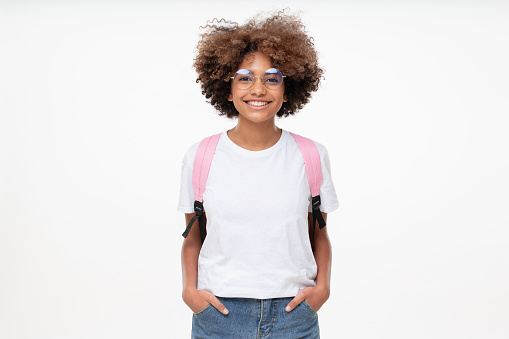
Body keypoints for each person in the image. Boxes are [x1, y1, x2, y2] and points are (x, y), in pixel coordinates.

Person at [178, 9, 339, 338]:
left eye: (271, 78)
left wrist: (322, 289)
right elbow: (193, 236)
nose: (258, 88)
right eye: (245, 77)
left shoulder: (311, 155)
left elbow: (319, 233)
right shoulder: (201, 156)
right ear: (227, 87)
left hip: (293, 314)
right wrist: (190, 294)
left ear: (286, 87)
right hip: (219, 314)